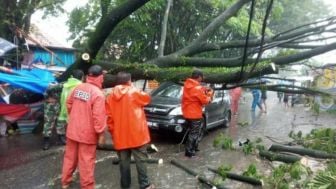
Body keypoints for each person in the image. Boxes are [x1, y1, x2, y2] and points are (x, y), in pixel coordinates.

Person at [106, 72, 155, 189]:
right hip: (137, 134)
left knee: (123, 162)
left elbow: (109, 119)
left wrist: (114, 133)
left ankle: (125, 185)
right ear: (129, 81)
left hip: (120, 135)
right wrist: (133, 88)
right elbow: (147, 99)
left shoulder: (109, 96)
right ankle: (144, 185)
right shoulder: (134, 92)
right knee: (141, 160)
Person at [61, 65, 106, 189]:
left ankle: (65, 182)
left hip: (72, 130)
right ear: (100, 77)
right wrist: (101, 134)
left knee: (70, 158)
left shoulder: (77, 88)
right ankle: (87, 186)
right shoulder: (98, 94)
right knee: (86, 161)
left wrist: (76, 116)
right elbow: (99, 117)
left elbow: (69, 103)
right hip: (87, 134)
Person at [182, 69, 213, 158]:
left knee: (192, 131)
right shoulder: (197, 88)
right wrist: (209, 96)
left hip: (187, 112)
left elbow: (195, 93)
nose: (202, 79)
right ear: (199, 77)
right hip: (194, 113)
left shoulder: (187, 85)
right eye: (202, 77)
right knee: (194, 132)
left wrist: (204, 89)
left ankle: (194, 147)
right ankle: (189, 152)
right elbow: (205, 101)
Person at [57, 69, 84, 144]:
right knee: (73, 125)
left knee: (63, 122)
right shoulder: (80, 86)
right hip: (73, 108)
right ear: (82, 77)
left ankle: (62, 137)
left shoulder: (65, 85)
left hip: (63, 107)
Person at [42, 82, 63, 150]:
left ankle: (61, 138)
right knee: (48, 123)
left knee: (60, 122)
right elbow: (45, 94)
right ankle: (46, 141)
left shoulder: (60, 85)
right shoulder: (49, 86)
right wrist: (48, 99)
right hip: (50, 107)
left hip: (58, 106)